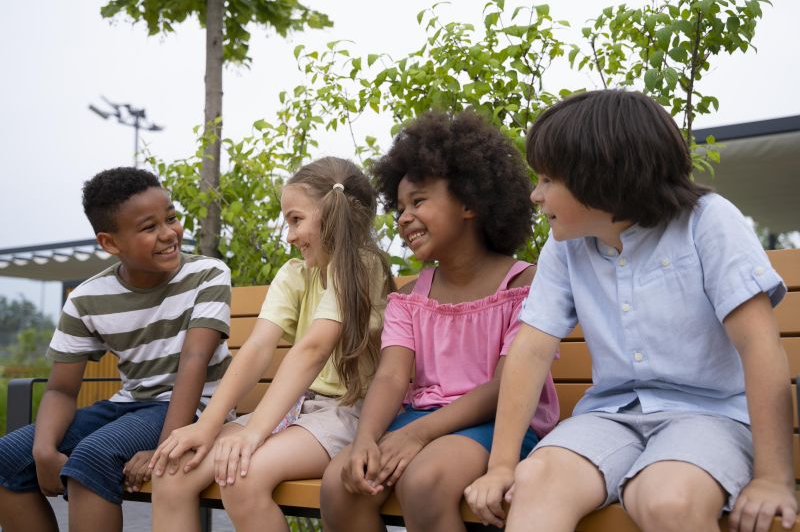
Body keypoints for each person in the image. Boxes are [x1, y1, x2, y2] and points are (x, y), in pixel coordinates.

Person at [465, 89, 798, 532]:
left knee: (666, 498)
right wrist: (503, 465)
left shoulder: (708, 222)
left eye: (547, 180)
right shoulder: (565, 248)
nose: (535, 195)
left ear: (600, 177)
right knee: (536, 480)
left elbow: (759, 346)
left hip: (710, 416)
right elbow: (530, 350)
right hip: (610, 417)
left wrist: (774, 478)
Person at [320, 111, 560, 532]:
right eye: (399, 208)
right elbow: (392, 379)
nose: (404, 217)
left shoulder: (524, 283)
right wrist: (364, 441)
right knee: (342, 484)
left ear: (469, 201)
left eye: (418, 201)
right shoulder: (411, 297)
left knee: (424, 482)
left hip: (500, 423)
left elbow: (505, 385)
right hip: (422, 419)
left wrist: (419, 434)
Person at [148, 156, 394, 532]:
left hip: (350, 412)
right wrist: (207, 426)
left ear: (332, 214)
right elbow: (258, 348)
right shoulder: (295, 273)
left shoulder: (363, 266)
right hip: (299, 409)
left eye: (296, 219)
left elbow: (313, 349)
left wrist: (254, 431)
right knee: (172, 472)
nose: (290, 235)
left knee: (241, 475)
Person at [0, 167, 232, 532]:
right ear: (110, 243)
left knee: (93, 457)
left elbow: (194, 361)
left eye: (170, 218)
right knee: (8, 458)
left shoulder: (207, 274)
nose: (169, 233)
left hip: (195, 406)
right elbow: (61, 389)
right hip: (130, 405)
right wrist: (44, 449)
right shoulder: (88, 298)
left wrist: (165, 447)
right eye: (149, 227)